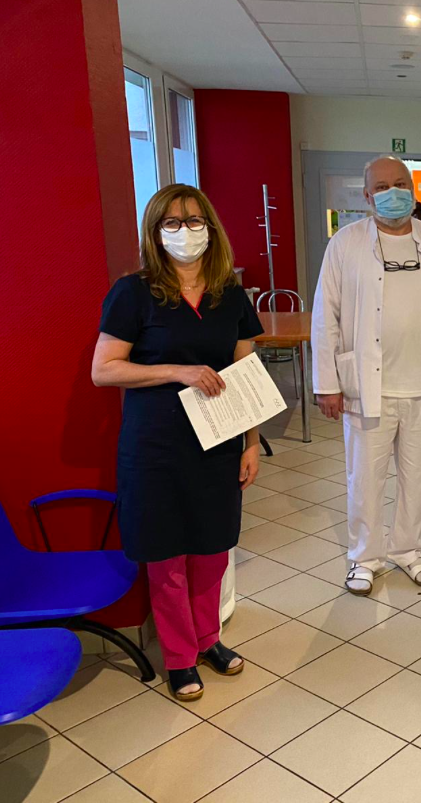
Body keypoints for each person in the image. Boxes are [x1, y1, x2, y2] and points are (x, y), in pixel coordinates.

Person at [91, 185, 263, 701]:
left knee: (212, 548)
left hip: (219, 440)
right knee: (166, 555)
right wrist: (177, 371)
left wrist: (251, 443)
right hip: (156, 446)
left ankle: (209, 639)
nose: (184, 231)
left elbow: (245, 373)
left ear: (210, 227)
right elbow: (104, 370)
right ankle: (180, 657)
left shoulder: (230, 295)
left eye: (193, 220)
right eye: (172, 222)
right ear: (155, 231)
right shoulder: (133, 293)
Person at [312, 156, 421, 596]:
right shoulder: (345, 244)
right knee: (365, 479)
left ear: (413, 190)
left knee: (416, 477)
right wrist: (326, 383)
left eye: (400, 183)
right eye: (381, 187)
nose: (392, 192)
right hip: (366, 387)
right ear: (367, 196)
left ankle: (408, 549)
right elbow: (326, 316)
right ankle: (364, 557)